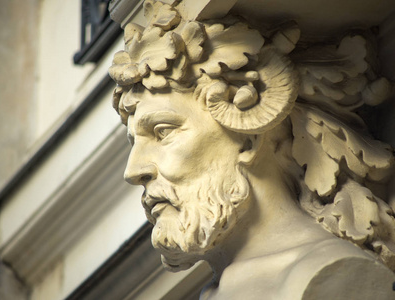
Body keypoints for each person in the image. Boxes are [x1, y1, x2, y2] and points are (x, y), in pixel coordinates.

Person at [109, 1, 395, 298]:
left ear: (248, 137)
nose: (133, 171)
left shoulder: (330, 273)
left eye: (161, 132)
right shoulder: (215, 290)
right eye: (134, 143)